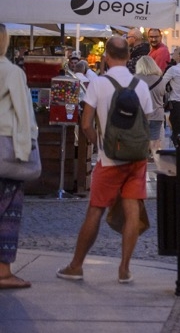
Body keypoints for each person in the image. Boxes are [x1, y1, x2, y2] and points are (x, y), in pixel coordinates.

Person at [57, 36, 153, 284]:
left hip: (110, 159)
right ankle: (124, 269)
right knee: (133, 210)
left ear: (107, 55)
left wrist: (98, 144)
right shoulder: (140, 85)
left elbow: (86, 123)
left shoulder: (98, 83)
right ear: (128, 55)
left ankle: (76, 266)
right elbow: (147, 122)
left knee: (95, 210)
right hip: (136, 158)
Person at [0, 24, 37, 289]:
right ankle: (3, 271)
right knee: (8, 211)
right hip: (5, 145)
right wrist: (24, 150)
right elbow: (24, 114)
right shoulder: (11, 71)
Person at [160, 47, 180, 147]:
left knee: (177, 137)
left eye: (175, 52)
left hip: (177, 106)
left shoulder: (174, 69)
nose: (173, 53)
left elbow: (161, 84)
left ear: (179, 56)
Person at [134, 56, 165, 159]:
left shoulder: (135, 79)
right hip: (157, 114)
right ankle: (156, 158)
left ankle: (143, 157)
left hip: (140, 114)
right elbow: (165, 95)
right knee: (155, 138)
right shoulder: (161, 79)